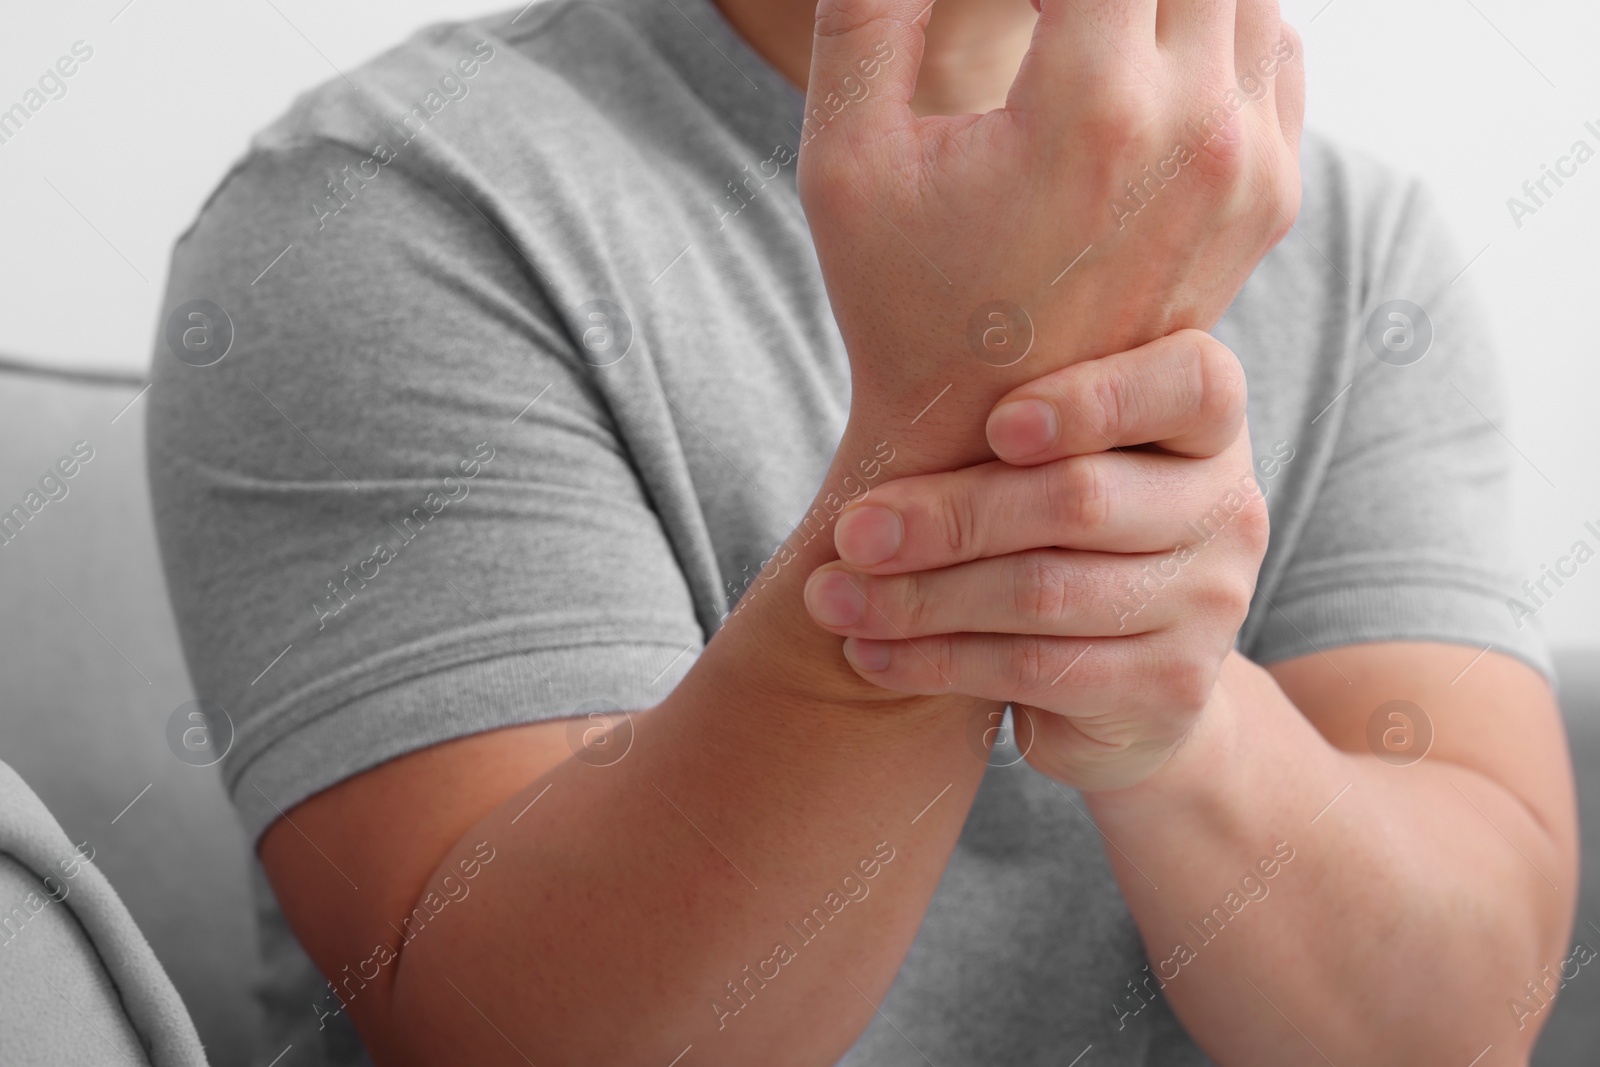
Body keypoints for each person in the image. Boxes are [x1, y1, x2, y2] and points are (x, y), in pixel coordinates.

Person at [145, 0, 1578, 1062]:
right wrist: (978, 411)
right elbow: (538, 1039)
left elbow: (1459, 1027)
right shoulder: (387, 204)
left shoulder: (1349, 239)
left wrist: (1163, 703)